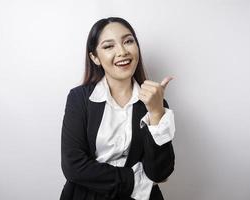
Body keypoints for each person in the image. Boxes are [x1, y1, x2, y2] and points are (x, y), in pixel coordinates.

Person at [60, 17, 175, 200]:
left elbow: (159, 173)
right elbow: (73, 166)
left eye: (128, 41)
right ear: (95, 58)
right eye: (108, 46)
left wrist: (156, 113)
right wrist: (135, 180)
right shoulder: (79, 98)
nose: (122, 52)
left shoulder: (155, 103)